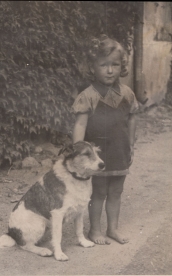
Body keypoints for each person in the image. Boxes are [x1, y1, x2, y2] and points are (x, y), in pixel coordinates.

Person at [71, 35, 139, 245]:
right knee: (99, 193)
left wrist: (131, 144)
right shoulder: (88, 96)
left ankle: (112, 229)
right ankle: (95, 231)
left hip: (119, 151)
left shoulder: (127, 94)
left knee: (116, 192)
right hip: (97, 155)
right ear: (93, 67)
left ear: (122, 66)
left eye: (115, 65)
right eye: (103, 65)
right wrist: (77, 153)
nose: (110, 70)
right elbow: (80, 125)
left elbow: (132, 117)